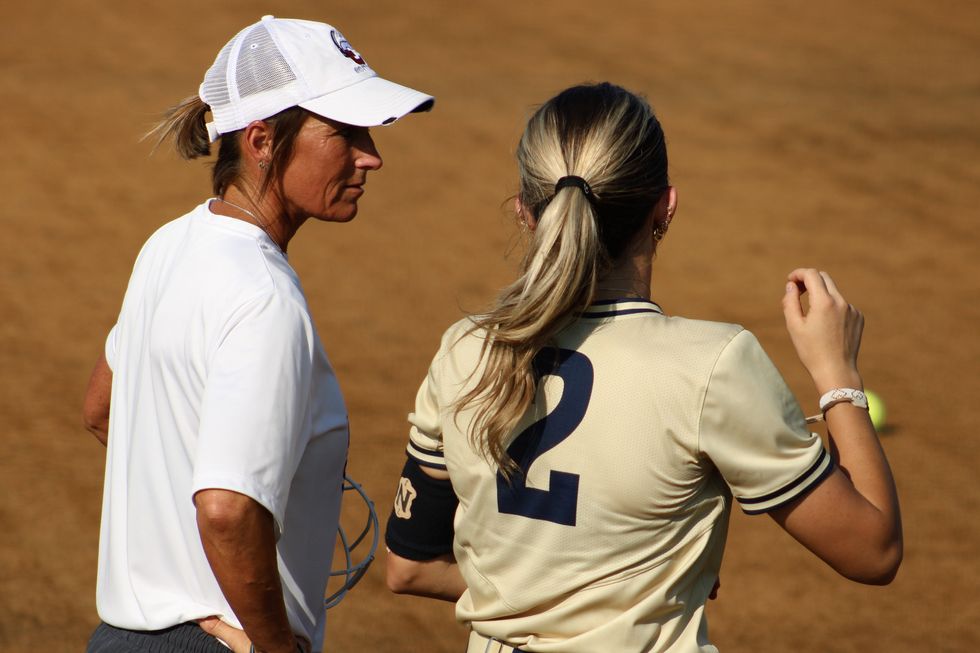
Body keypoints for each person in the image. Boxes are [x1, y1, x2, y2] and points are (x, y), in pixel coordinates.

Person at [383, 83, 902, 652]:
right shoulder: (711, 365)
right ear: (666, 207)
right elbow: (871, 551)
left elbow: (410, 567)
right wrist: (838, 378)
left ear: (526, 213)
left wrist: (566, 591)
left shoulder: (465, 349)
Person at [81, 15, 433, 653]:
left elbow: (105, 408)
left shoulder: (167, 246)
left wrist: (177, 564)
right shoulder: (265, 297)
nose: (370, 155)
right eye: (345, 132)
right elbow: (225, 509)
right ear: (263, 139)